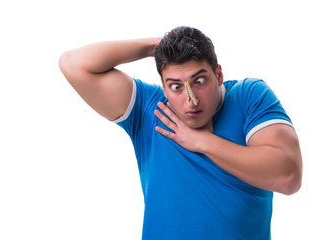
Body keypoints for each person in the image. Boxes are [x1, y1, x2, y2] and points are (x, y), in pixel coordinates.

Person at [59, 26, 302, 239]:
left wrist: (201, 141)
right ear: (164, 86)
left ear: (218, 74)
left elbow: (288, 176)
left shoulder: (248, 96)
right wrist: (157, 45)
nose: (191, 100)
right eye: (175, 86)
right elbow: (74, 64)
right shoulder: (149, 108)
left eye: (199, 81)